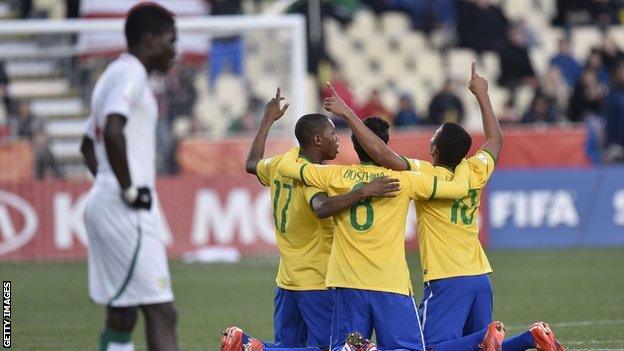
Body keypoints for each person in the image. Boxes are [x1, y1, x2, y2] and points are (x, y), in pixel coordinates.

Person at [323, 62, 566, 351]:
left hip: (447, 278)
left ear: (434, 150)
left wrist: (349, 115)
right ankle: (532, 338)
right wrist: (482, 95)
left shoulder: (424, 175)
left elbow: (382, 155)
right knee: (483, 348)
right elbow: (495, 141)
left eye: (433, 139)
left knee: (430, 347)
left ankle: (485, 337)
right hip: (479, 276)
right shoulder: (475, 169)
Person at [277, 105, 474, 350]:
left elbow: (286, 168)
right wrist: (463, 163)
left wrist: (297, 146)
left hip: (347, 282)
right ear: (385, 147)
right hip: (389, 282)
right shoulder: (404, 181)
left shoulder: (334, 177)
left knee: (342, 346)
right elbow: (459, 189)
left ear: (356, 145)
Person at [221, 89, 400, 351]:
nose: (338, 140)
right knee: (332, 348)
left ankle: (253, 347)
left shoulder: (282, 163)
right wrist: (363, 191)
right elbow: (322, 207)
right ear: (317, 139)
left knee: (290, 346)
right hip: (316, 279)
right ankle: (253, 347)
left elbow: (252, 163)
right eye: (332, 134)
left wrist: (267, 121)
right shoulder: (311, 176)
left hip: (287, 280)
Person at [79, 4, 180, 350]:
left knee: (122, 314)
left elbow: (86, 147)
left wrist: (108, 184)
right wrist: (126, 190)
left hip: (106, 200)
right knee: (162, 312)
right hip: (126, 207)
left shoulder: (111, 74)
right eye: (170, 40)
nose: (174, 50)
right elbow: (112, 130)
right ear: (150, 38)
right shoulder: (131, 75)